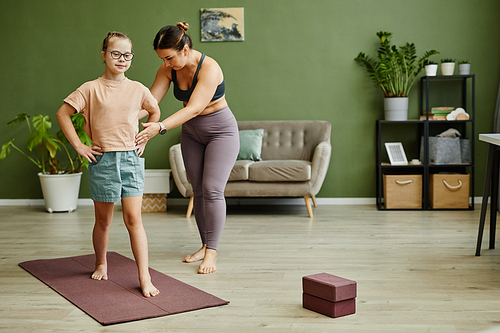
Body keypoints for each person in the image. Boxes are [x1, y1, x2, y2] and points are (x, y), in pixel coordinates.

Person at [56, 31, 161, 297]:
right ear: (104, 55)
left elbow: (154, 110)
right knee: (103, 220)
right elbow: (63, 113)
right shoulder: (90, 88)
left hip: (131, 159)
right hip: (103, 160)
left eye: (127, 55)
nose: (122, 59)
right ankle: (101, 261)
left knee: (134, 219)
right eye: (116, 53)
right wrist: (79, 146)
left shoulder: (138, 88)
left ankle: (144, 276)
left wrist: (146, 136)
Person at [135, 22, 239, 274]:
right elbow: (151, 101)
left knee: (213, 189)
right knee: (198, 191)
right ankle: (204, 244)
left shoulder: (210, 68)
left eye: (169, 58)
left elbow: (193, 108)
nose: (166, 64)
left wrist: (158, 128)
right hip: (191, 132)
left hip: (220, 132)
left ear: (185, 48)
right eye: (162, 59)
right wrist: (125, 119)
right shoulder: (168, 68)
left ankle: (212, 252)